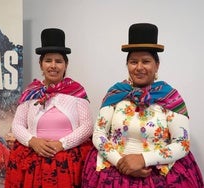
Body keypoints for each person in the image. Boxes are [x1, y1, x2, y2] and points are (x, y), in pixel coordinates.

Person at [82, 23, 204, 187]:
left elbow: (182, 144)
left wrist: (143, 159)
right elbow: (98, 134)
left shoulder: (170, 97)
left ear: (156, 65)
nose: (139, 67)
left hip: (160, 174)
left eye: (146, 61)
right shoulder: (116, 94)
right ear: (127, 65)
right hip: (115, 169)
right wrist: (121, 163)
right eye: (133, 62)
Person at [5, 28, 93, 188]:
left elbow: (87, 127)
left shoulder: (76, 92)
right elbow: (17, 124)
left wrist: (62, 144)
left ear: (66, 65)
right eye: (48, 60)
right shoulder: (31, 92)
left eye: (59, 61)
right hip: (34, 161)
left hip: (68, 162)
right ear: (41, 64)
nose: (53, 66)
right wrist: (32, 141)